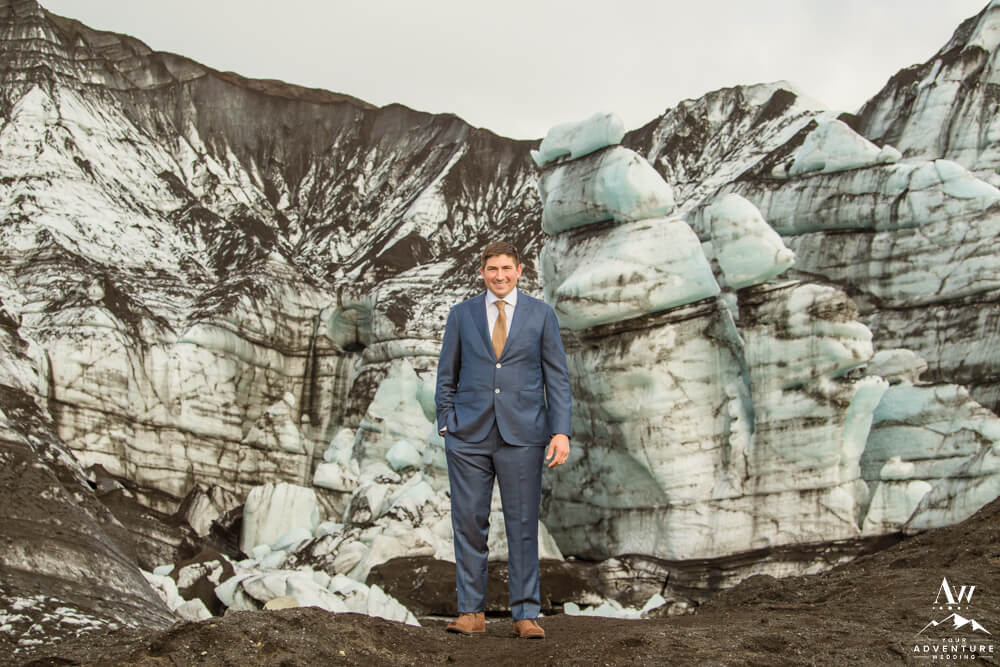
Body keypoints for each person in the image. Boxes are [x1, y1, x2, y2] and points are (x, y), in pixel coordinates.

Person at [435, 240, 572, 640]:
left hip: (524, 434)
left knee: (523, 524)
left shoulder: (541, 314)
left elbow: (556, 377)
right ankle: (470, 613)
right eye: (492, 269)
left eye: (506, 269)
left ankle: (525, 614)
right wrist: (447, 423)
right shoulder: (461, 315)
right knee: (468, 523)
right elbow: (447, 374)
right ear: (482, 272)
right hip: (468, 436)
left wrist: (561, 431)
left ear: (519, 271)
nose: (499, 276)